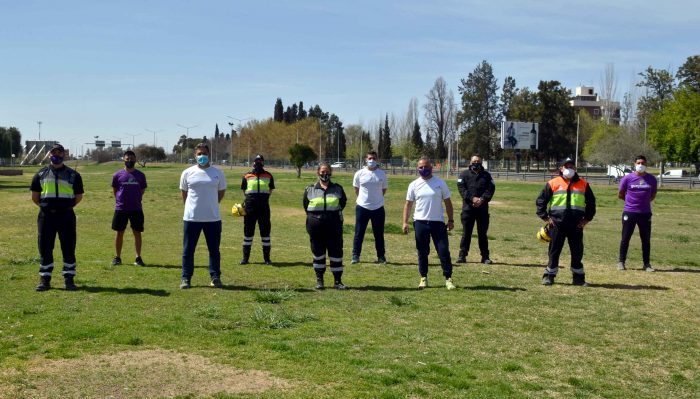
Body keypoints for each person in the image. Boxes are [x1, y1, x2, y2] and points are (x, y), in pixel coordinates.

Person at [30, 143, 84, 291]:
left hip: (66, 216)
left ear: (64, 155)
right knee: (45, 247)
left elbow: (78, 196)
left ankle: (69, 280)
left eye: (60, 153)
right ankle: (45, 280)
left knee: (68, 246)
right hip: (46, 217)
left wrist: (66, 207)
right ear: (49, 155)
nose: (57, 155)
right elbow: (35, 197)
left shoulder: (73, 175)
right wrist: (47, 207)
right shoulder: (40, 174)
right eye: (54, 153)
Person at [536, 157, 596, 286]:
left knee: (577, 251)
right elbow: (541, 201)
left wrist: (586, 220)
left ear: (575, 168)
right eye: (566, 166)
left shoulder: (583, 184)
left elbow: (591, 204)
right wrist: (546, 218)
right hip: (557, 224)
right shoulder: (552, 183)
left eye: (572, 167)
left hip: (576, 225)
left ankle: (578, 278)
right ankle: (549, 276)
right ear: (561, 168)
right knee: (554, 251)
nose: (569, 169)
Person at [402, 157, 457, 290]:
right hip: (420, 223)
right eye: (420, 167)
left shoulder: (440, 183)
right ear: (417, 169)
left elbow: (448, 202)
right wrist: (405, 222)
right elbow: (408, 204)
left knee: (443, 251)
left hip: (438, 223)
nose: (423, 169)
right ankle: (423, 278)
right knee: (422, 251)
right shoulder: (413, 185)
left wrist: (450, 220)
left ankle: (448, 279)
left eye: (426, 166)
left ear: (431, 168)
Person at [179, 143, 227, 289]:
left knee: (214, 250)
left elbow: (221, 192)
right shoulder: (187, 173)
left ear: (209, 155)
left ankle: (215, 277)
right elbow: (184, 194)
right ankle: (186, 278)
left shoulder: (217, 173)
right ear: (195, 155)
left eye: (204, 153)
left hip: (212, 218)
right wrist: (192, 208)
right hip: (192, 218)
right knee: (188, 250)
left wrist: (211, 204)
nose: (202, 156)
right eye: (199, 154)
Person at [303, 162, 348, 290]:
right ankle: (319, 280)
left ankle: (338, 281)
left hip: (333, 226)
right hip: (316, 228)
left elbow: (342, 203)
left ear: (331, 173)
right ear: (318, 173)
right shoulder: (309, 189)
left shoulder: (338, 188)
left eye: (327, 171)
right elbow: (306, 206)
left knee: (336, 253)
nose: (325, 174)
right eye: (322, 172)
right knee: (318, 253)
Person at [617, 155, 657, 271]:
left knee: (645, 239)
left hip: (645, 213)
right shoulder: (627, 178)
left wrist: (643, 203)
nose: (641, 165)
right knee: (625, 238)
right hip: (630, 212)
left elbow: (653, 195)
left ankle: (646, 264)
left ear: (646, 164)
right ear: (634, 164)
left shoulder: (652, 179)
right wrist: (631, 203)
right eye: (639, 163)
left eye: (643, 163)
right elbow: (620, 194)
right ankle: (621, 262)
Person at [456, 154, 495, 264]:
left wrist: (482, 199)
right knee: (466, 233)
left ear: (481, 163)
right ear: (470, 162)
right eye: (474, 161)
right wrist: (472, 198)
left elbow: (490, 189)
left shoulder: (487, 175)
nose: (476, 163)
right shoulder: (464, 174)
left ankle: (485, 257)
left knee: (482, 234)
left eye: (478, 161)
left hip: (482, 210)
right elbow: (461, 188)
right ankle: (462, 256)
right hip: (468, 209)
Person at [111, 150, 147, 266]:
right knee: (119, 232)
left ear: (135, 159)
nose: (129, 160)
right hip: (121, 208)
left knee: (137, 232)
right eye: (127, 158)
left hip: (136, 208)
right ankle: (117, 257)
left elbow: (142, 190)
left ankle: (138, 257)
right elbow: (115, 191)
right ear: (123, 159)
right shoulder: (117, 175)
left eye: (132, 158)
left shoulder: (140, 175)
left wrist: (135, 198)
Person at [351, 150, 388, 264]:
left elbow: (384, 189)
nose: (372, 160)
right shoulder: (359, 173)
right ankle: (355, 256)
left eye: (374, 158)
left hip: (378, 208)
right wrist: (363, 200)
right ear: (366, 160)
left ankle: (381, 256)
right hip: (362, 207)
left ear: (377, 160)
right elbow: (356, 189)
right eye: (369, 158)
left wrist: (376, 200)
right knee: (359, 232)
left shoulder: (382, 174)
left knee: (379, 233)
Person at [240, 154, 275, 265]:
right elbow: (244, 190)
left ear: (263, 162)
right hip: (250, 208)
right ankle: (245, 258)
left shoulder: (268, 175)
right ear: (253, 162)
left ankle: (267, 259)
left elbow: (270, 189)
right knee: (248, 233)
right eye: (256, 161)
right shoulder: (247, 176)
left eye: (260, 161)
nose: (258, 163)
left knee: (265, 233)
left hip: (264, 208)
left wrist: (263, 199)